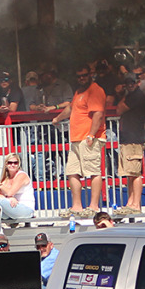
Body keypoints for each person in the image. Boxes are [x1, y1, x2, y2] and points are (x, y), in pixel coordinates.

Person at [60, 67, 107, 216]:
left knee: (93, 171)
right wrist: (56, 118)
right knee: (72, 171)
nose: (82, 78)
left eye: (85, 75)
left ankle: (93, 206)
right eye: (79, 76)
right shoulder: (79, 92)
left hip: (89, 138)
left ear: (90, 76)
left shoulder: (95, 90)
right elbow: (70, 108)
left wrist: (91, 135)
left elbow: (98, 114)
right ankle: (77, 206)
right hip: (76, 138)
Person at [113, 69, 145, 213]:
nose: (130, 85)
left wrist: (122, 95)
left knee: (135, 173)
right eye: (127, 83)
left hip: (135, 138)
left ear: (138, 83)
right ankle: (130, 202)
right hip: (128, 137)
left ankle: (136, 204)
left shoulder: (137, 96)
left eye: (132, 83)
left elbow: (119, 109)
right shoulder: (131, 95)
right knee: (129, 173)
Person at [0, 153, 36, 221]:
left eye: (15, 163)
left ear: (19, 164)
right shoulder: (5, 179)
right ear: (6, 164)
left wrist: (0, 185)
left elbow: (10, 192)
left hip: (26, 209)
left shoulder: (21, 175)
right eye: (10, 163)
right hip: (13, 207)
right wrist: (11, 198)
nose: (13, 165)